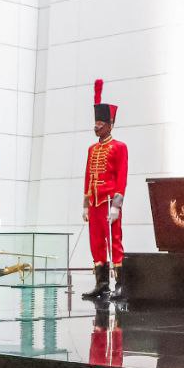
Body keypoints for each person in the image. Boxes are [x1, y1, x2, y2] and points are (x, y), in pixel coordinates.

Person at [81, 79, 128, 301]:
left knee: (114, 242)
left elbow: (122, 178)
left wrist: (116, 206)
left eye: (100, 123)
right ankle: (101, 284)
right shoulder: (92, 149)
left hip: (109, 202)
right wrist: (85, 205)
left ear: (110, 125)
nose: (96, 126)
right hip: (95, 203)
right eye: (96, 122)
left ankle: (120, 285)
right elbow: (87, 177)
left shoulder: (119, 147)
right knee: (96, 243)